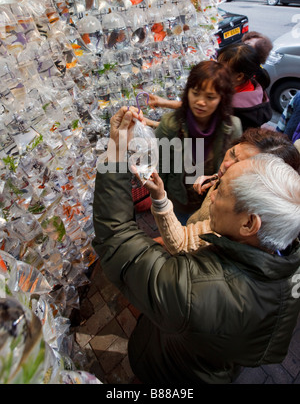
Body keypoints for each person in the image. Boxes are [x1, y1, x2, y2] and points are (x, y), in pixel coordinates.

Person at [92, 106, 300, 386]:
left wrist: (116, 153)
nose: (213, 194)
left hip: (172, 371)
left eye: (224, 191)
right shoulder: (283, 254)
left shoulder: (197, 290)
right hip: (216, 363)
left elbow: (116, 237)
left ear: (250, 224)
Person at [144, 127, 300, 254]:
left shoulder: (237, 221)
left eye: (240, 164)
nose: (226, 165)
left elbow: (182, 242)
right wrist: (215, 179)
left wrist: (159, 198)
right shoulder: (234, 182)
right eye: (232, 153)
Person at [155, 60, 242, 224]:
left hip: (213, 204)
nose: (201, 102)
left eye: (210, 97)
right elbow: (160, 169)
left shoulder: (232, 127)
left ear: (221, 99)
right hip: (179, 203)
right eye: (195, 93)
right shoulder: (170, 125)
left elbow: (235, 169)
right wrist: (161, 201)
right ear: (188, 92)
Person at [217, 42, 273, 131]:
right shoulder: (254, 86)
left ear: (239, 76)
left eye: (220, 68)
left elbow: (201, 134)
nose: (216, 70)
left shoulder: (233, 110)